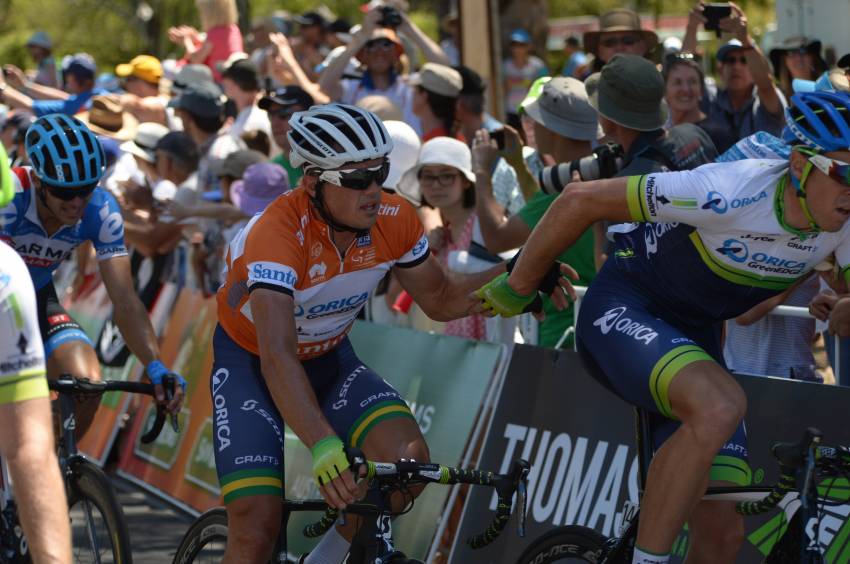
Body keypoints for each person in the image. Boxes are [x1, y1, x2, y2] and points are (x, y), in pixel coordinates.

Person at [476, 89, 850, 564]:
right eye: (843, 173)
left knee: (720, 536)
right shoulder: (728, 189)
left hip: (695, 338)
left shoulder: (843, 223)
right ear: (799, 165)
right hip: (626, 310)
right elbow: (579, 198)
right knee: (720, 403)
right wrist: (519, 283)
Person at [211, 103, 527, 563]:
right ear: (313, 182)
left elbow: (439, 299)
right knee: (257, 525)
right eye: (358, 180)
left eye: (379, 173)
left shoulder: (394, 219)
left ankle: (322, 560)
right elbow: (277, 354)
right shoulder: (278, 234)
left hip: (328, 359)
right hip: (252, 363)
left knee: (407, 470)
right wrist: (322, 444)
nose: (375, 191)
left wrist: (519, 274)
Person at [0, 114, 185, 438]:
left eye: (85, 190)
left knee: (87, 384)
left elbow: (125, 300)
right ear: (40, 182)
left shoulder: (100, 210)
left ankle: (54, 475)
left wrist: (155, 366)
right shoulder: (11, 198)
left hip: (38, 299)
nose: (75, 203)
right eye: (63, 191)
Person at [472, 77, 600, 348]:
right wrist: (518, 165)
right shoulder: (595, 172)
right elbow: (548, 217)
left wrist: (481, 172)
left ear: (552, 129)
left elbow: (496, 238)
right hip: (595, 330)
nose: (528, 126)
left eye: (535, 120)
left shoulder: (567, 186)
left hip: (564, 337)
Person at [0, 142, 72, 563]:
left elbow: (28, 443)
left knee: (84, 376)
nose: (77, 201)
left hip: (34, 300)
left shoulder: (8, 274)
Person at [399, 136, 485, 339]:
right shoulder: (444, 234)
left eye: (446, 176)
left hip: (486, 340)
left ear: (465, 181)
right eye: (427, 176)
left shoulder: (481, 227)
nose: (436, 185)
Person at [318, 6, 450, 136]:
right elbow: (324, 86)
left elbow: (445, 70)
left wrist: (408, 27)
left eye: (386, 45)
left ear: (397, 53)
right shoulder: (351, 89)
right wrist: (361, 37)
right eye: (371, 45)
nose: (379, 52)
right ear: (362, 56)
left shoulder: (411, 88)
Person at [683, 3, 785, 153]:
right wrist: (691, 28)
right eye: (730, 60)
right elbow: (683, 70)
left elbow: (766, 84)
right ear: (720, 69)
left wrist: (745, 39)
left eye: (744, 60)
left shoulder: (764, 102)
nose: (737, 66)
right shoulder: (711, 100)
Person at [1, 53, 102, 117]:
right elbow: (66, 98)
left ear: (73, 79)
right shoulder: (100, 96)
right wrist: (25, 85)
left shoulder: (77, 106)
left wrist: (3, 87)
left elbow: (31, 106)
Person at [663, 53, 727, 150]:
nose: (685, 89)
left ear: (701, 91)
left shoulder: (718, 136)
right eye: (677, 82)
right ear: (665, 91)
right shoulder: (662, 136)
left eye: (692, 82)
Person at [168, 0, 244, 82]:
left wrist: (186, 40)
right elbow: (215, 44)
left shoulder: (215, 32)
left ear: (210, 13)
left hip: (219, 81)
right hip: (233, 80)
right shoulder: (233, 28)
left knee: (174, 69)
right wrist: (194, 36)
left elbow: (196, 59)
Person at [259, 85, 314, 187]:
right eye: (271, 115)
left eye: (284, 113)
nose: (274, 123)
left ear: (308, 116)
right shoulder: (271, 172)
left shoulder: (333, 166)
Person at [582, 9, 659, 74]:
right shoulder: (585, 89)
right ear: (599, 51)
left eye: (628, 41)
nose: (619, 47)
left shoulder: (663, 84)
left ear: (643, 46)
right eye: (610, 42)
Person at [502, 29, 547, 130]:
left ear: (528, 46)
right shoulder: (505, 66)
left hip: (532, 111)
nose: (517, 48)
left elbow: (546, 85)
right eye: (514, 44)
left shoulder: (538, 65)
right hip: (511, 111)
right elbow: (501, 90)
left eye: (521, 45)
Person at [219, 57, 271, 139]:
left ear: (235, 84)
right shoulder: (262, 116)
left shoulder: (244, 127)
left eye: (225, 76)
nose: (222, 81)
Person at [410, 63, 462, 141]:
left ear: (424, 96)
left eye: (415, 90)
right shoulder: (459, 139)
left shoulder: (429, 145)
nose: (412, 93)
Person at [115, 54, 169, 125]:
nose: (126, 83)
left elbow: (132, 103)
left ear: (140, 84)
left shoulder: (161, 103)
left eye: (129, 79)